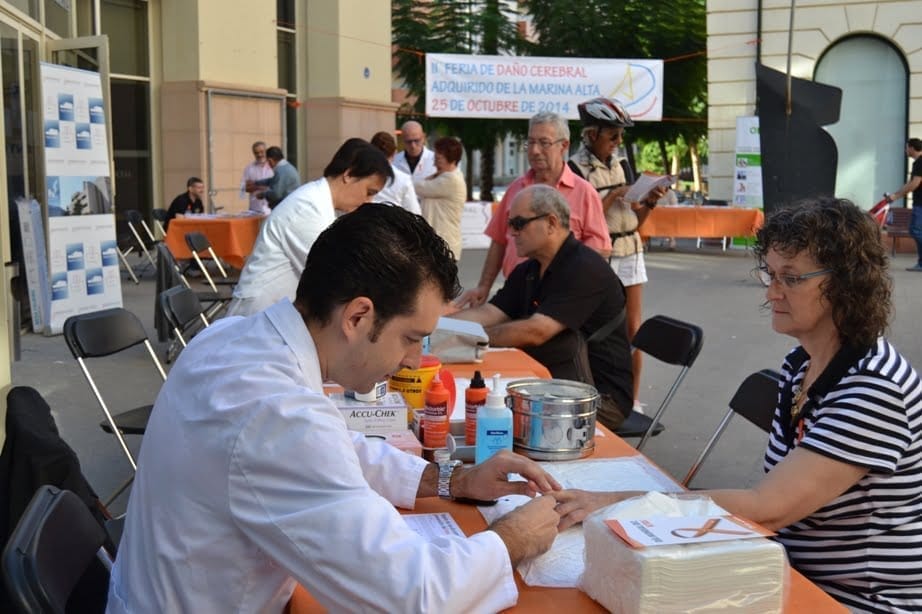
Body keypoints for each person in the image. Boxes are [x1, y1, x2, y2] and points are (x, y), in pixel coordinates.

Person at [106, 203, 562, 613]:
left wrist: (453, 479)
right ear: (358, 317)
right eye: (409, 337)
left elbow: (339, 450)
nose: (413, 360)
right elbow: (412, 594)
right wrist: (513, 539)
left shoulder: (232, 339)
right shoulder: (274, 413)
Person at [553, 197, 922, 611]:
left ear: (846, 284)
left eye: (792, 278)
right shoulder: (801, 364)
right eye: (771, 273)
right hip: (786, 571)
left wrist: (615, 502)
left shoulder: (874, 387)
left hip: (857, 600)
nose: (773, 291)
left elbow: (768, 508)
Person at [453, 185, 633, 430]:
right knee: (479, 405)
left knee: (489, 417)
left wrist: (462, 338)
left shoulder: (585, 269)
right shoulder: (528, 270)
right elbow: (489, 313)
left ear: (551, 222)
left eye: (518, 223)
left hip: (599, 399)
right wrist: (438, 326)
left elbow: (536, 331)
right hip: (554, 383)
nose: (511, 233)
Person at [455, 112, 611, 309]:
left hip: (560, 299)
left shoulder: (584, 192)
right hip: (516, 295)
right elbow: (499, 241)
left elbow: (599, 249)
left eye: (544, 143)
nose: (535, 150)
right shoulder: (515, 189)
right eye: (530, 142)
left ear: (563, 146)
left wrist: (570, 280)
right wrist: (484, 286)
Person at [570, 97, 666, 415]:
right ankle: (593, 396)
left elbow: (636, 220)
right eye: (613, 135)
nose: (618, 142)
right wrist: (612, 195)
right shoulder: (576, 167)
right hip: (600, 253)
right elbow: (583, 216)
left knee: (633, 329)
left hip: (631, 250)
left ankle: (632, 401)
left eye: (621, 135)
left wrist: (649, 201)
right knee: (596, 329)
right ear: (592, 133)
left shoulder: (623, 164)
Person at [227, 139, 394, 316]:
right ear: (349, 174)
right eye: (369, 192)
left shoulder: (321, 204)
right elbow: (338, 277)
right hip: (258, 320)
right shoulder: (306, 209)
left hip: (275, 317)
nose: (369, 202)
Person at [414, 136, 467, 261]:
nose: (435, 159)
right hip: (438, 242)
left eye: (439, 156)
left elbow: (417, 187)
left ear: (451, 158)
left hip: (444, 243)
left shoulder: (451, 180)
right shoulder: (443, 177)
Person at [883, 137, 922, 271]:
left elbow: (915, 184)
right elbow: (911, 183)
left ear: (911, 147)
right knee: (917, 231)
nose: (905, 150)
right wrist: (896, 194)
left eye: (906, 147)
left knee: (916, 231)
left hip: (920, 204)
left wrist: (896, 196)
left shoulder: (919, 162)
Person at [369, 130, 421, 214]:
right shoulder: (403, 180)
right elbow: (414, 213)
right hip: (393, 225)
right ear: (394, 153)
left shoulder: (359, 177)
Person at [239, 140, 274, 215]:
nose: (259, 155)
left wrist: (254, 185)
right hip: (254, 209)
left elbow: (275, 186)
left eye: (261, 152)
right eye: (256, 153)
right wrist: (262, 187)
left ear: (266, 151)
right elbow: (243, 188)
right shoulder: (249, 168)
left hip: (271, 208)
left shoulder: (273, 167)